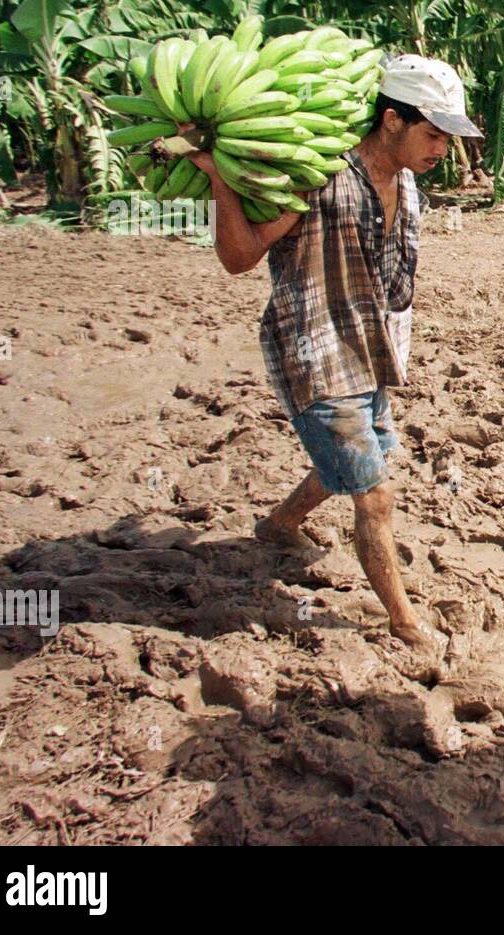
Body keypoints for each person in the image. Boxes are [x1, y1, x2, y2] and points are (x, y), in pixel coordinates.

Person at [188, 54, 483, 651]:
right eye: (433, 134)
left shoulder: (408, 185)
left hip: (370, 350)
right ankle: (403, 621)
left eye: (448, 139)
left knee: (364, 455)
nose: (442, 151)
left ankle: (277, 525)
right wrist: (218, 174)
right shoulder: (316, 176)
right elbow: (239, 258)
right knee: (375, 493)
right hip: (315, 351)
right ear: (392, 120)